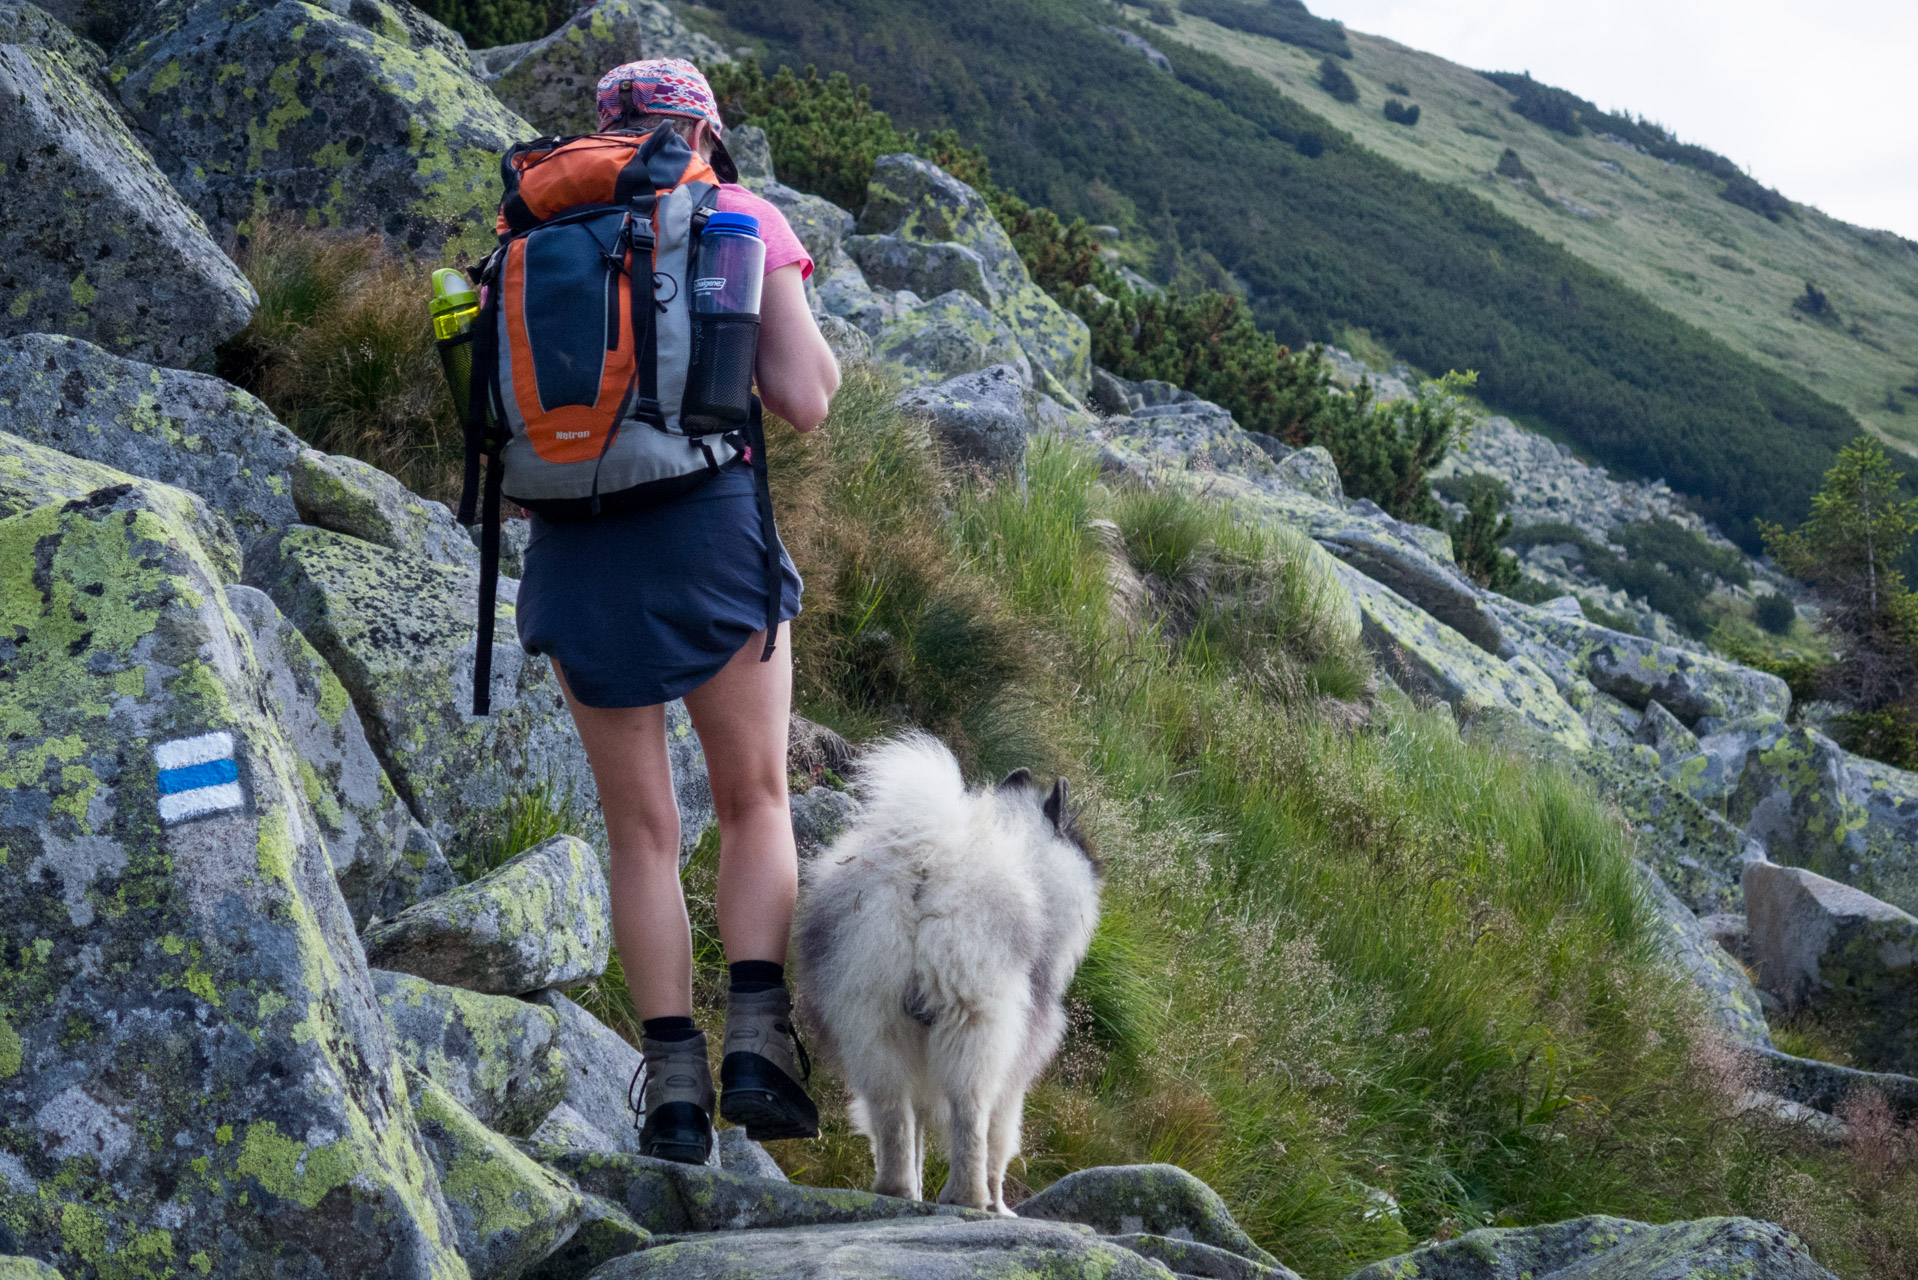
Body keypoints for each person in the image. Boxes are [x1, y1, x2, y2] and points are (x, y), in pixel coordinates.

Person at [511, 59, 841, 1163]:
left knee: (640, 831)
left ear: (602, 129)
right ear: (703, 129)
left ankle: (673, 1091)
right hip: (709, 531)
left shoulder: (537, 228)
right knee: (752, 798)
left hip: (575, 549)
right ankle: (757, 1044)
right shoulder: (737, 212)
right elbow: (802, 397)